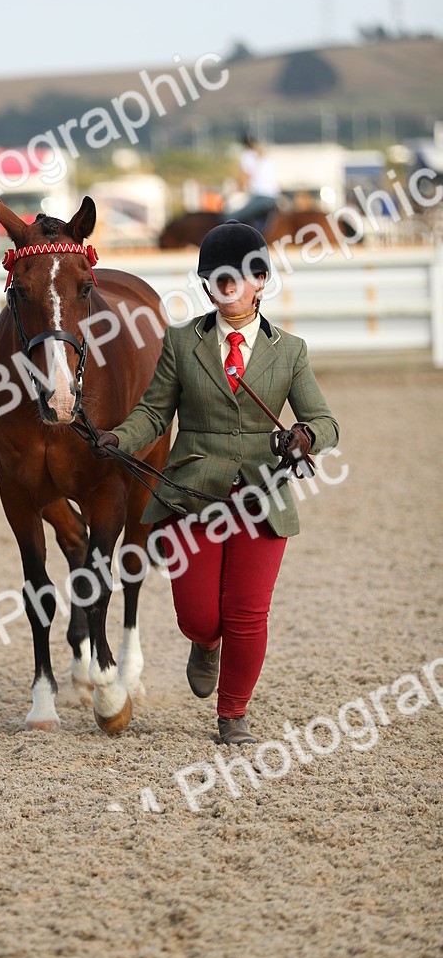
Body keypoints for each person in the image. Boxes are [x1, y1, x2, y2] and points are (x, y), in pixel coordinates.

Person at [92, 222, 339, 746]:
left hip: (262, 496)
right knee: (200, 616)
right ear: (206, 283)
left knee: (247, 614)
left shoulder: (290, 351)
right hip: (192, 493)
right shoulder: (182, 343)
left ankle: (233, 716)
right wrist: (120, 438)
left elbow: (327, 422)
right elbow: (155, 415)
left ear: (261, 280)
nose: (227, 284)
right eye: (216, 276)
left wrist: (305, 436)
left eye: (239, 275)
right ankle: (205, 645)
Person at [223, 132, 279, 233]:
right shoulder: (265, 156)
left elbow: (244, 178)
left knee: (228, 219)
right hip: (273, 197)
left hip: (261, 197)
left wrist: (231, 192)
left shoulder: (247, 155)